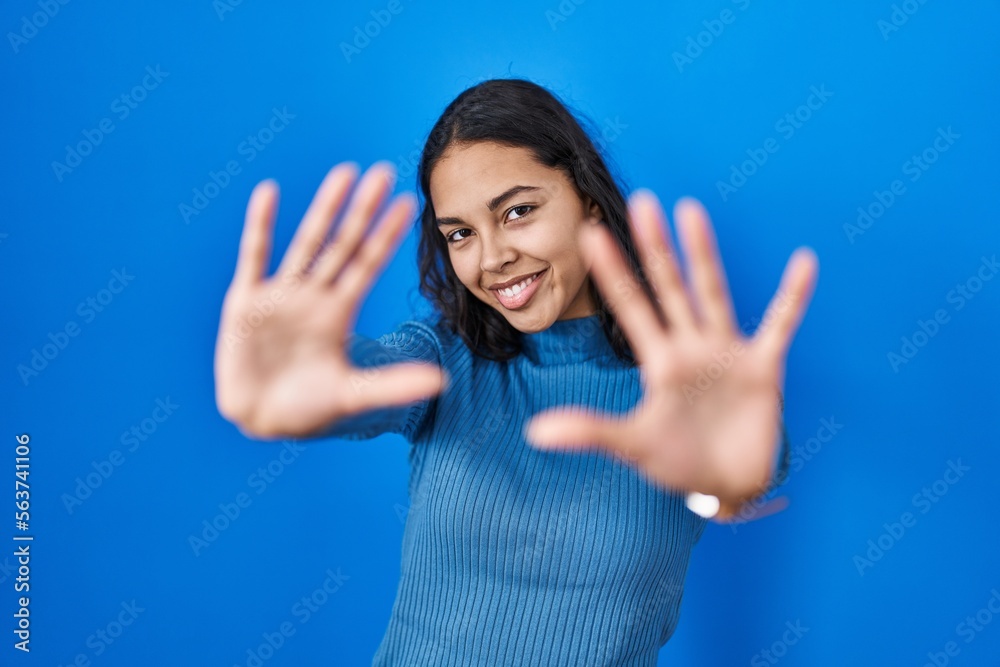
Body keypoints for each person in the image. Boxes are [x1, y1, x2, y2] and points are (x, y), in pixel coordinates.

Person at [213, 78, 818, 666]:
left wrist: (725, 485)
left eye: (519, 211)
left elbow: (732, 470)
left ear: (585, 195)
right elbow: (364, 379)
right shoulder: (441, 360)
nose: (492, 257)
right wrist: (307, 382)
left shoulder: (680, 390)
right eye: (460, 233)